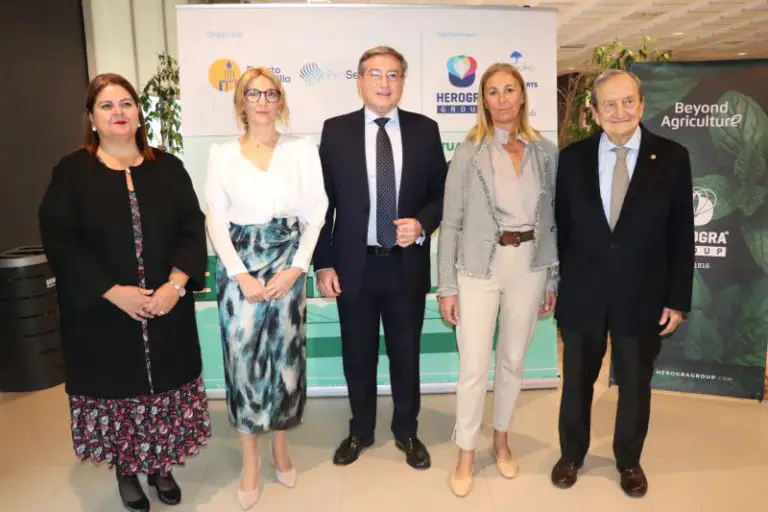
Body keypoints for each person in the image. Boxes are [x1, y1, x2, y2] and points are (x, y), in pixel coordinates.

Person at [38, 73, 211, 512]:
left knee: (165, 384)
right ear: (92, 118)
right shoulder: (72, 172)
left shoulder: (168, 167)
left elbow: (192, 228)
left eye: (126, 103)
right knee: (118, 388)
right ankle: (127, 469)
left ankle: (161, 465)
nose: (118, 112)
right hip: (103, 311)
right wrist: (112, 291)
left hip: (166, 305)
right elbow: (60, 239)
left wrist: (175, 285)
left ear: (138, 113)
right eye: (107, 105)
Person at [551, 69, 694, 498]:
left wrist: (676, 299)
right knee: (576, 381)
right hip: (583, 293)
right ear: (594, 112)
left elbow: (681, 233)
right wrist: (558, 283)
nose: (620, 111)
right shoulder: (572, 159)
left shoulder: (672, 157)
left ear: (642, 104)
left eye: (628, 101)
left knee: (634, 383)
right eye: (609, 104)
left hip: (643, 296)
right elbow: (562, 228)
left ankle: (629, 461)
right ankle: (571, 454)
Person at [312, 46, 447, 470]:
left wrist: (422, 224)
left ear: (402, 82)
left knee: (406, 354)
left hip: (405, 265)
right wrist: (323, 263)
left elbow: (441, 194)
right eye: (375, 74)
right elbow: (321, 205)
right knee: (358, 356)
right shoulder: (336, 131)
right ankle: (361, 430)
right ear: (359, 81)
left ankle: (407, 430)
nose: (384, 83)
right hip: (354, 266)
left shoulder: (425, 130)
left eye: (393, 75)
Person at [205, 66, 327, 509]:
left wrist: (297, 269)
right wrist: (240, 274)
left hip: (287, 262)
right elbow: (215, 218)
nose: (261, 101)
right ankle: (250, 460)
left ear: (280, 100)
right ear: (241, 100)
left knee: (285, 359)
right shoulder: (221, 153)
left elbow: (317, 212)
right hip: (239, 264)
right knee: (242, 362)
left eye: (270, 93)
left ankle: (279, 447)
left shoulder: (301, 150)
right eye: (253, 93)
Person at [437, 63, 559, 497]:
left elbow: (554, 221)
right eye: (493, 91)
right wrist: (446, 286)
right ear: (483, 100)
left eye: (510, 89)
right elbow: (451, 222)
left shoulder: (546, 152)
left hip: (530, 265)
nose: (502, 98)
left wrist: (552, 278)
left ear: (522, 95)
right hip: (477, 268)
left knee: (512, 360)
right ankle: (466, 452)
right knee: (473, 366)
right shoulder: (469, 152)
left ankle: (501, 441)